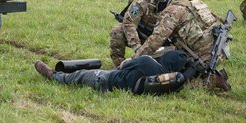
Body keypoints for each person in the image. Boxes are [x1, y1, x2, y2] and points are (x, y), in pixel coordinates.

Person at [133, 0, 231, 91]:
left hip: (204, 57)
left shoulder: (171, 12)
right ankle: (212, 76)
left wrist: (135, 59)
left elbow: (155, 41)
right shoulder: (195, 3)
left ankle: (214, 80)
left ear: (162, 2)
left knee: (177, 85)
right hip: (220, 49)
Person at [34, 50, 200, 95]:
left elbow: (123, 66)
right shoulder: (169, 82)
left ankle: (53, 75)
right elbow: (183, 78)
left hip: (107, 80)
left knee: (78, 75)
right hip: (117, 85)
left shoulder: (148, 62)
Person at [109, 0, 182, 67]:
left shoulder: (177, 8)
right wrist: (137, 46)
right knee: (117, 31)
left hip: (162, 41)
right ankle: (119, 66)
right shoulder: (141, 1)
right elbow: (129, 23)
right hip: (141, 36)